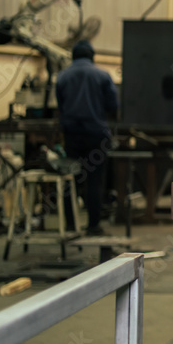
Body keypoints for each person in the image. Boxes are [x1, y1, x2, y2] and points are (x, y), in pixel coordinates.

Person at [55, 40, 118, 236]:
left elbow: (60, 105)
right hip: (96, 136)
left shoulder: (62, 76)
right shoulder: (102, 75)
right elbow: (113, 105)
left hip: (72, 136)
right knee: (94, 180)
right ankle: (93, 225)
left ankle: (71, 225)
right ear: (92, 56)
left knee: (70, 180)